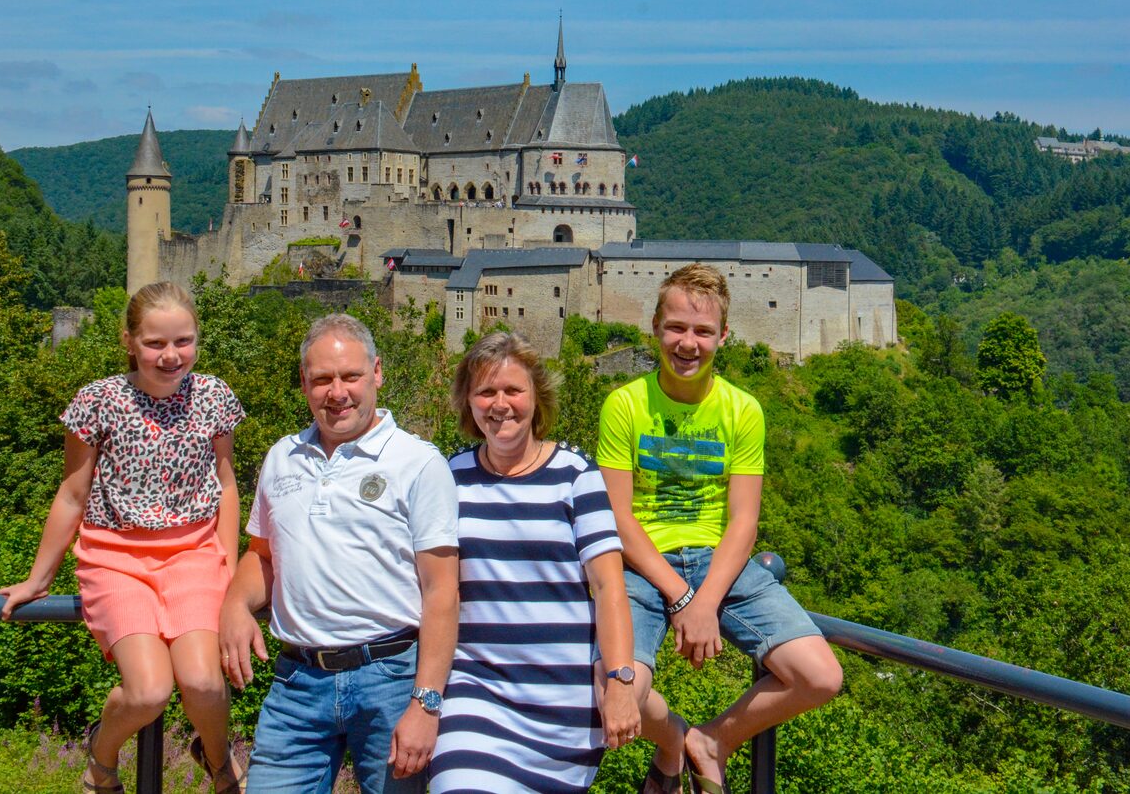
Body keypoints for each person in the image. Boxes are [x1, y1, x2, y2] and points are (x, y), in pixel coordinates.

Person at [598, 264, 844, 794]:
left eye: (703, 332)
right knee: (619, 694)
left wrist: (705, 601)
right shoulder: (625, 404)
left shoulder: (742, 410)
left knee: (822, 676)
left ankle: (713, 740)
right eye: (677, 328)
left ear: (723, 338)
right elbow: (618, 518)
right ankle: (672, 740)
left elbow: (744, 521)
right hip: (642, 564)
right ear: (655, 329)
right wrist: (684, 597)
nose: (688, 343)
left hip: (719, 562)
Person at [0, 281, 246, 794]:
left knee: (202, 681)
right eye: (156, 343)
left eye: (184, 341)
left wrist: (226, 566)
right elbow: (72, 494)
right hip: (116, 558)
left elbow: (226, 485)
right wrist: (37, 579)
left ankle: (218, 760)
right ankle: (102, 756)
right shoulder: (97, 401)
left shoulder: (215, 396)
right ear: (130, 342)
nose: (172, 355)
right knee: (149, 691)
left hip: (195, 555)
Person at [220, 314, 459, 794]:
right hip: (297, 682)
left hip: (391, 677)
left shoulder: (418, 462)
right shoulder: (281, 457)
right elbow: (263, 556)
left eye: (350, 376)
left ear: (377, 373)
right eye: (322, 379)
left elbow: (441, 591)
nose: (338, 392)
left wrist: (426, 703)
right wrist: (233, 603)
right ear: (305, 384)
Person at [429, 332, 641, 793]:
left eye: (512, 390)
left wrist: (621, 678)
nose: (499, 404)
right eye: (485, 392)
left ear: (536, 397)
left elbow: (608, 587)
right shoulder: (449, 477)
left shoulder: (576, 476)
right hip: (476, 692)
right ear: (468, 402)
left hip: (564, 704)